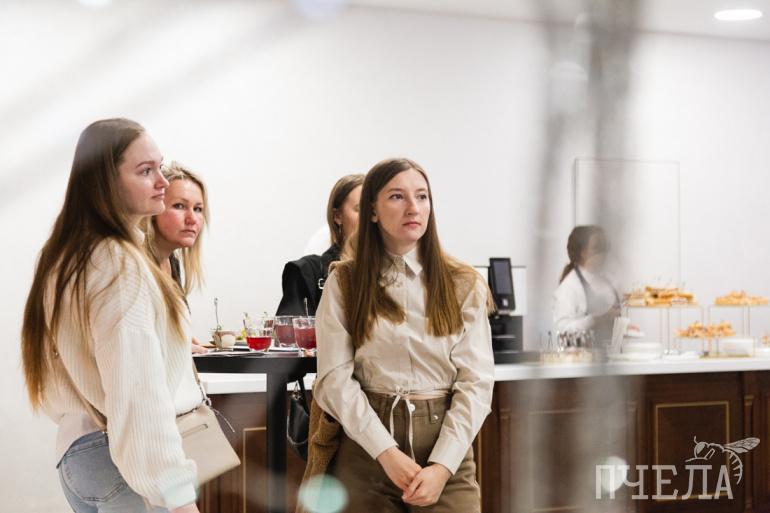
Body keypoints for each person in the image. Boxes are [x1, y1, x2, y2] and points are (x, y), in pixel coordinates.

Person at [21, 119, 202, 513]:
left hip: (77, 455)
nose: (162, 182)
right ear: (106, 181)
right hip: (117, 459)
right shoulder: (119, 262)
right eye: (145, 171)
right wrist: (179, 496)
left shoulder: (64, 254)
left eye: (159, 167)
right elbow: (138, 392)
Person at [312, 158, 494, 512]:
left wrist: (442, 466)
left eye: (422, 196)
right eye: (397, 196)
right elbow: (334, 378)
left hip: (447, 449)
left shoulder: (463, 282)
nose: (414, 207)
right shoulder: (344, 282)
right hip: (367, 452)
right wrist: (385, 452)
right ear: (372, 211)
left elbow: (477, 382)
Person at [144, 161, 209, 354]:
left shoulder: (172, 263)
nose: (192, 219)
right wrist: (177, 347)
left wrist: (180, 339)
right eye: (179, 206)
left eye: (198, 209)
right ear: (153, 210)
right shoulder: (137, 264)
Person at [276, 173, 363, 316]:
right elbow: (291, 329)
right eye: (360, 209)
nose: (369, 217)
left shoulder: (394, 275)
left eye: (373, 210)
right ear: (338, 216)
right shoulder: (307, 273)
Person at [552, 224, 621, 341]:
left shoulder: (606, 281)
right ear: (583, 252)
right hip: (584, 352)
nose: (603, 254)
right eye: (597, 248)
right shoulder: (569, 287)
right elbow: (563, 330)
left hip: (610, 351)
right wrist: (596, 319)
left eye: (605, 247)